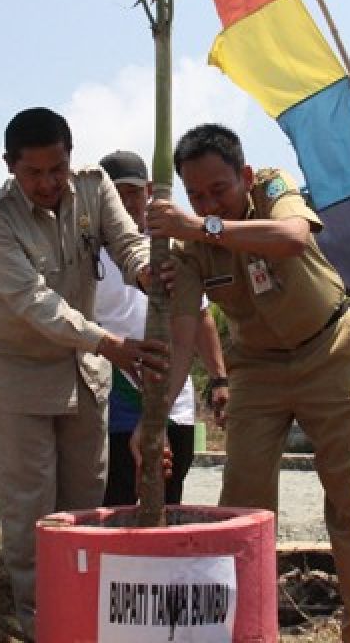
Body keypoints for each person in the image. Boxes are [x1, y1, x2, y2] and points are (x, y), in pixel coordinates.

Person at [144, 123, 350, 643]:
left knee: (349, 498)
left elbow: (294, 239)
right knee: (244, 502)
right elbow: (184, 341)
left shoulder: (272, 188)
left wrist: (203, 225)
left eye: (219, 190)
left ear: (245, 176)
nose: (209, 202)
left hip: (330, 353)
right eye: (196, 195)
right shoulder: (187, 250)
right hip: (256, 368)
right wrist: (158, 420)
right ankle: (244, 626)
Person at [0, 108, 166, 638]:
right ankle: (43, 623)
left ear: (70, 159)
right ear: (10, 167)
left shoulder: (94, 187)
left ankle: (85, 615)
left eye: (57, 170)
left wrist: (146, 269)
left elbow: (128, 242)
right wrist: (108, 342)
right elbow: (34, 302)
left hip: (83, 374)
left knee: (84, 507)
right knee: (32, 512)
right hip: (18, 377)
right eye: (33, 174)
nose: (48, 184)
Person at [95, 150, 228, 506]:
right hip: (112, 395)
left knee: (168, 499)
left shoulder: (173, 250)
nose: (126, 204)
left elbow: (202, 318)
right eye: (116, 195)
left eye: (133, 194)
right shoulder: (87, 257)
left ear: (150, 192)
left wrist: (218, 379)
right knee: (117, 497)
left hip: (172, 399)